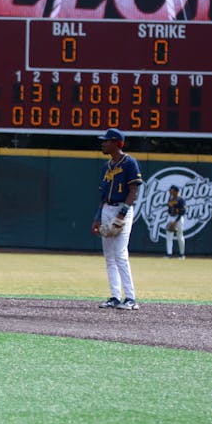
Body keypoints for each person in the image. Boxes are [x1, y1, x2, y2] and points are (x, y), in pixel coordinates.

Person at [91, 128, 143, 311]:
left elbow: (134, 191)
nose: (103, 143)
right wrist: (98, 218)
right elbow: (103, 196)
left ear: (116, 143)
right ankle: (115, 296)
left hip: (123, 209)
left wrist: (123, 213)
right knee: (109, 257)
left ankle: (130, 298)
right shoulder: (107, 166)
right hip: (106, 209)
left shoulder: (130, 163)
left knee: (120, 254)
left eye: (106, 141)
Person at [165, 185, 187, 259]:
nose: (170, 191)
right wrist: (169, 219)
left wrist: (175, 221)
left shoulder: (181, 200)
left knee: (180, 236)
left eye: (172, 190)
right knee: (169, 236)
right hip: (171, 217)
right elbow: (169, 209)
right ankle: (169, 254)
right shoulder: (170, 198)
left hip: (178, 218)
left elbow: (183, 211)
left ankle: (182, 254)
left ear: (176, 191)